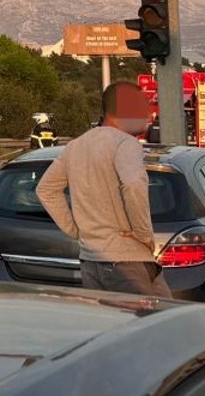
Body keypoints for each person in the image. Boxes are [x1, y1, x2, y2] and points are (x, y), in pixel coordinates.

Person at [36, 81, 171, 298]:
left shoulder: (76, 145)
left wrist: (75, 229)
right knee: (155, 323)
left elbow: (46, 189)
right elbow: (133, 184)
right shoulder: (125, 144)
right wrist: (143, 234)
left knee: (112, 325)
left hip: (91, 259)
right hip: (126, 259)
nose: (148, 115)